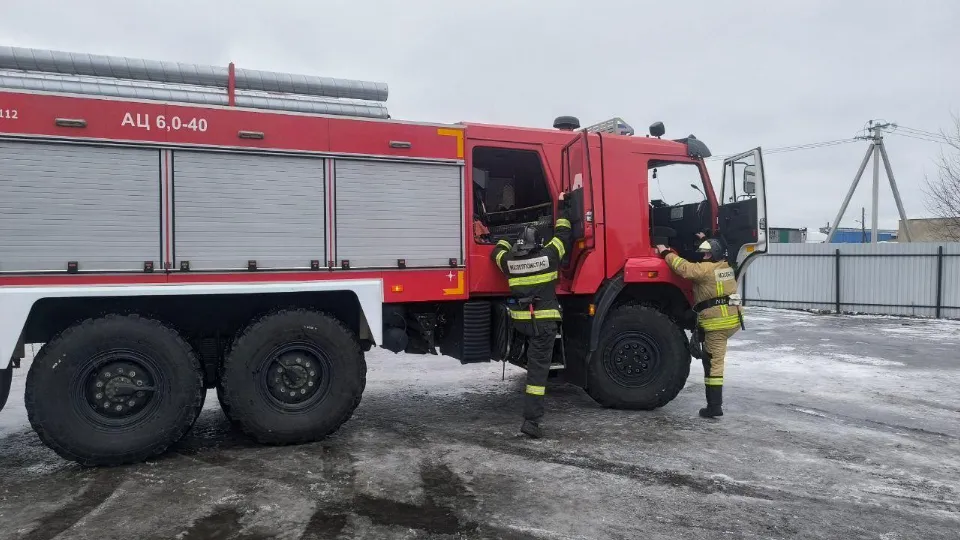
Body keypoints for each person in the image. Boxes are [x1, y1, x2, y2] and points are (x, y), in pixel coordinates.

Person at [491, 193, 574, 439]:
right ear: (537, 244)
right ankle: (531, 421)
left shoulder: (510, 263)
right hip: (544, 324)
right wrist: (564, 211)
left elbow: (496, 252)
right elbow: (563, 237)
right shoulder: (547, 258)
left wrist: (507, 239)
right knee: (537, 374)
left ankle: (532, 418)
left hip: (521, 323)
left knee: (531, 365)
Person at [655, 235, 743, 418]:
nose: (703, 256)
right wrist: (707, 237)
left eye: (706, 254)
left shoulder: (706, 270)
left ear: (714, 254)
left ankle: (714, 406)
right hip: (731, 320)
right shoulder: (727, 267)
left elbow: (684, 268)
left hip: (718, 324)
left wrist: (665, 251)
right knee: (714, 360)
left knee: (713, 364)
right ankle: (714, 404)